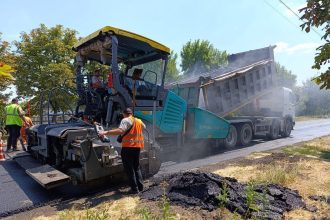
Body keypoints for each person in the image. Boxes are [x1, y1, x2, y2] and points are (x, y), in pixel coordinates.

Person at [98, 107, 145, 194]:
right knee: (136, 168)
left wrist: (105, 132)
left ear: (124, 114)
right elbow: (144, 127)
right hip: (137, 147)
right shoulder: (138, 120)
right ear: (131, 113)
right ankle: (141, 187)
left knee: (129, 169)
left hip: (128, 148)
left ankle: (134, 190)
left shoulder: (125, 120)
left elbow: (120, 130)